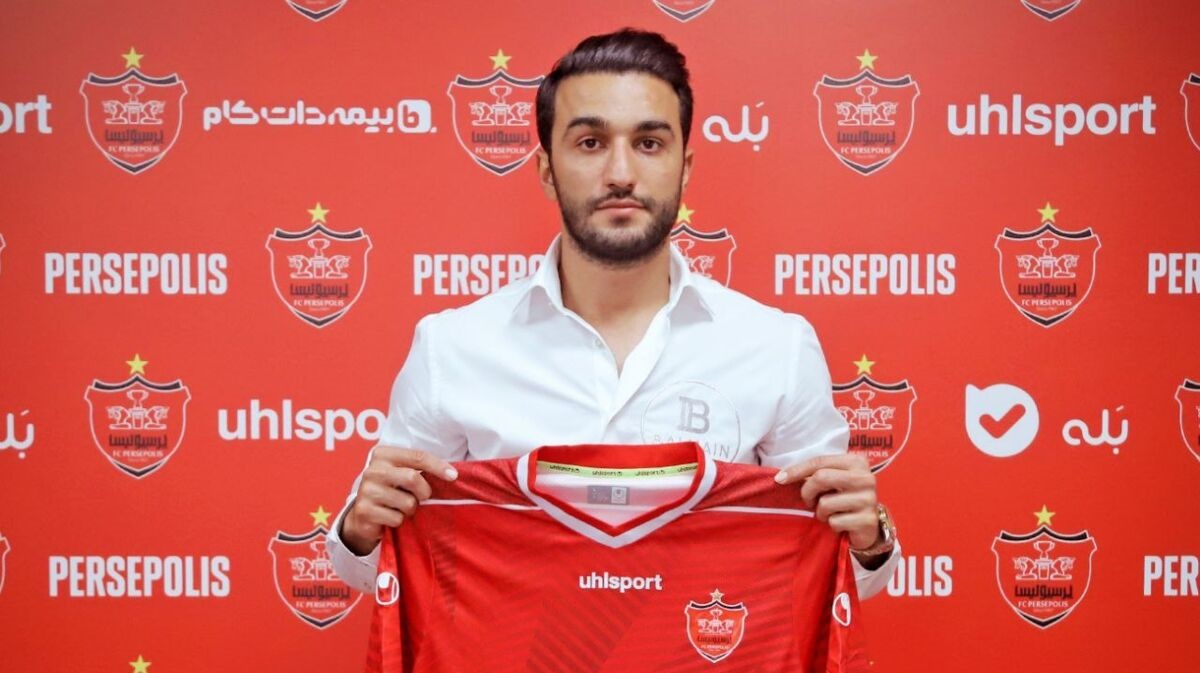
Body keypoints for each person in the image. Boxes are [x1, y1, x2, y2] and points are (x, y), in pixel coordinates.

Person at [327, 28, 901, 598]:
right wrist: (361, 529)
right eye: (590, 143)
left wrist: (869, 539)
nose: (621, 173)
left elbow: (836, 577)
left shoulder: (776, 347)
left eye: (649, 143)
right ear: (546, 169)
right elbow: (372, 567)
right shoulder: (452, 347)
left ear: (685, 167)